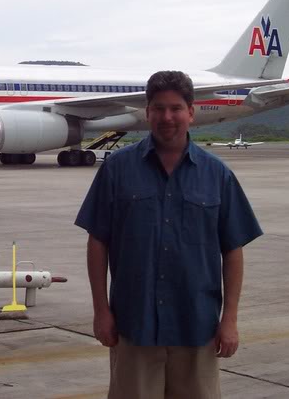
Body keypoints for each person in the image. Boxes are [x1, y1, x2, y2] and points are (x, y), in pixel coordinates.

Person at [75, 70, 262, 399]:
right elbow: (97, 241)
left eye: (175, 108)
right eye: (158, 108)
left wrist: (229, 319)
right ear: (146, 113)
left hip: (197, 326)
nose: (167, 117)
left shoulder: (216, 174)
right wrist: (101, 311)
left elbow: (233, 249)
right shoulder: (117, 169)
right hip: (133, 325)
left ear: (191, 112)